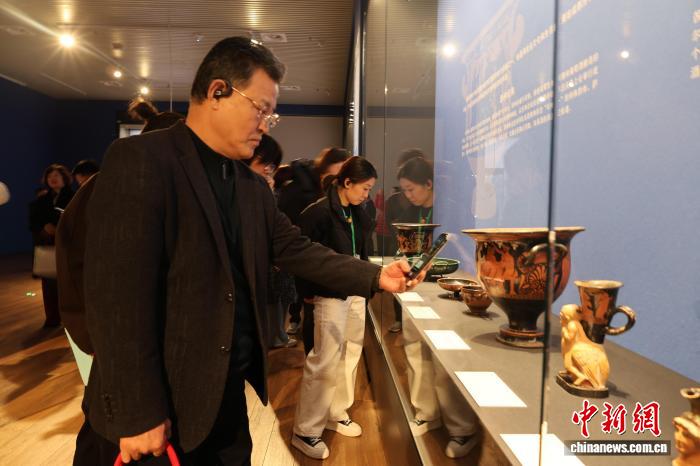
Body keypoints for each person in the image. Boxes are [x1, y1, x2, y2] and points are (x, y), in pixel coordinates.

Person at [74, 36, 423, 466]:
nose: (265, 125)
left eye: (270, 115)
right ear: (217, 91)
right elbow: (116, 297)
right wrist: (137, 411)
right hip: (154, 411)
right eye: (261, 109)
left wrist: (375, 276)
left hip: (224, 399)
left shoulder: (251, 188)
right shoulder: (142, 159)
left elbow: (296, 248)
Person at [291, 157, 377, 459]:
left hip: (355, 292)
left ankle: (336, 412)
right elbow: (300, 256)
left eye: (370, 189)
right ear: (347, 182)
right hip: (328, 294)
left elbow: (362, 250)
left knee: (351, 353)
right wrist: (305, 292)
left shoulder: (358, 210)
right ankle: (306, 430)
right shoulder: (317, 212)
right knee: (325, 359)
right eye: (364, 188)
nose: (367, 194)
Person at [278, 147, 351, 353]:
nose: (339, 182)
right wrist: (305, 289)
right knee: (315, 329)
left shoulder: (328, 196)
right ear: (324, 173)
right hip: (311, 272)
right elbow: (297, 245)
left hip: (330, 272)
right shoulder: (306, 197)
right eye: (336, 176)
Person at [241, 134, 296, 349]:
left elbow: (281, 236)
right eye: (263, 162)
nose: (268, 169)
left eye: (272, 166)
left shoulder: (264, 195)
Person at [29, 164, 74, 328]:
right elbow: (33, 222)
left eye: (56, 175)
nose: (53, 179)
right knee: (48, 284)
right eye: (50, 176)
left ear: (64, 178)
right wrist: (44, 227)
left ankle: (71, 318)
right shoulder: (41, 200)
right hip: (47, 244)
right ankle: (52, 318)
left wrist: (58, 228)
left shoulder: (74, 197)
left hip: (67, 246)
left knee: (68, 284)